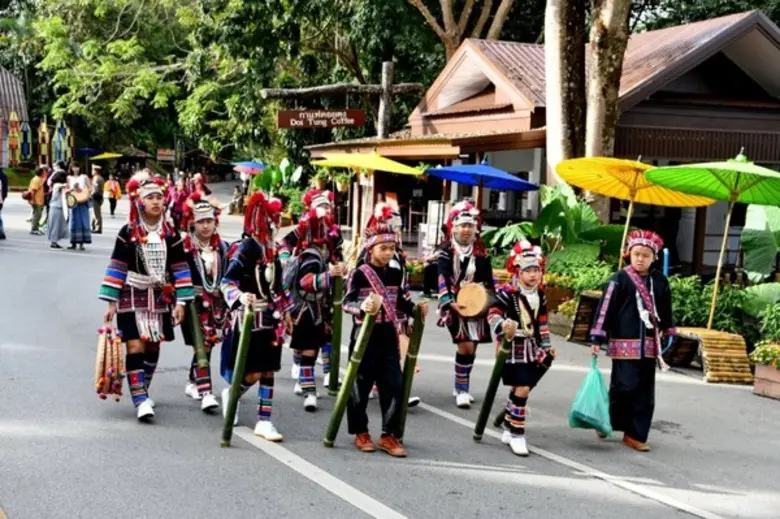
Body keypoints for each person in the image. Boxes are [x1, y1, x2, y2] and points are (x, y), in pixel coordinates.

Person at [98, 176, 194, 421]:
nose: (155, 202)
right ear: (139, 202)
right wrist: (111, 302)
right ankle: (140, 399)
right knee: (135, 345)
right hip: (131, 291)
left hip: (159, 294)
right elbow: (118, 266)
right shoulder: (128, 231)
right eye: (150, 197)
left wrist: (181, 302)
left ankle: (143, 387)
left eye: (159, 197)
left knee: (153, 346)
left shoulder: (171, 234)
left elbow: (181, 268)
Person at [342, 204, 428, 457]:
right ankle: (361, 432)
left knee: (394, 385)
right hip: (364, 337)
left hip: (388, 336)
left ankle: (389, 435)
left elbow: (401, 300)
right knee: (360, 386)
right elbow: (346, 303)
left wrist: (416, 309)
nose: (388, 253)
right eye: (383, 248)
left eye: (391, 248)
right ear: (371, 249)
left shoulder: (394, 273)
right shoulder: (359, 274)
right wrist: (362, 306)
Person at [588, 230, 676, 452]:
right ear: (628, 254)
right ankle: (610, 419)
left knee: (645, 392)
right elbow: (605, 309)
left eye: (645, 255)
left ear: (654, 258)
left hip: (649, 345)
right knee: (624, 386)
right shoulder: (619, 280)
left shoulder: (660, 281)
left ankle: (635, 434)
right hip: (624, 343)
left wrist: (668, 329)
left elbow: (666, 308)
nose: (640, 259)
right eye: (636, 254)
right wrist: (597, 336)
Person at [219, 191, 287, 441]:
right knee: (253, 372)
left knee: (269, 370)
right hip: (249, 318)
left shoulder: (273, 249)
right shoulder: (248, 247)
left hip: (271, 317)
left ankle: (264, 421)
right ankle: (233, 394)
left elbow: (278, 287)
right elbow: (227, 282)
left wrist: (287, 312)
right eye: (273, 218)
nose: (276, 223)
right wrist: (240, 296)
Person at [487, 241, 553, 456]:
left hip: (531, 346)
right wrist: (502, 324)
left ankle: (508, 424)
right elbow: (492, 313)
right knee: (523, 388)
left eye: (537, 270)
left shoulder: (540, 295)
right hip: (511, 346)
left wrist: (547, 345)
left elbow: (542, 322)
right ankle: (517, 433)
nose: (533, 275)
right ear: (518, 271)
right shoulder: (507, 294)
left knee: (519, 389)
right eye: (528, 271)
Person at [285, 189, 345, 411]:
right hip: (308, 307)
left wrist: (340, 272)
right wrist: (332, 276)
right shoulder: (309, 253)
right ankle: (309, 390)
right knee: (308, 350)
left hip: (324, 306)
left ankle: (320, 378)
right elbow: (305, 282)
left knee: (320, 346)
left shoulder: (328, 248)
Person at [437, 201, 494, 408]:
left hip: (476, 305)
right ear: (454, 227)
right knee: (465, 345)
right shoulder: (446, 252)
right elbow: (442, 277)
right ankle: (462, 389)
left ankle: (460, 383)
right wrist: (448, 301)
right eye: (462, 225)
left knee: (474, 347)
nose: (466, 230)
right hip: (456, 304)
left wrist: (485, 299)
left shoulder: (481, 255)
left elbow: (488, 282)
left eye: (470, 226)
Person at [180, 193, 229, 412]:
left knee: (208, 344)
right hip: (193, 302)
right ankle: (206, 392)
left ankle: (193, 381)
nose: (206, 226)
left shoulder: (224, 248)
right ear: (193, 223)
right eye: (201, 222)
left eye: (209, 221)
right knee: (202, 344)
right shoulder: (185, 248)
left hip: (217, 303)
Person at [66, 164, 92, 250]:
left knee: (83, 221)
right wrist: (72, 189)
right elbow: (66, 189)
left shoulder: (84, 177)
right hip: (73, 201)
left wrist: (84, 191)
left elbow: (91, 188)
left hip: (83, 201)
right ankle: (73, 242)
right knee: (73, 221)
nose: (75, 168)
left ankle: (81, 243)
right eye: (74, 167)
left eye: (77, 166)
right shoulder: (69, 178)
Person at [47, 165, 69, 248]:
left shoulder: (56, 185)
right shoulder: (57, 185)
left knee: (56, 224)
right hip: (56, 207)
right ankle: (54, 242)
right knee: (56, 225)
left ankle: (54, 241)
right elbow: (62, 186)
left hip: (56, 207)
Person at [28, 167, 47, 235]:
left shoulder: (39, 179)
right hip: (36, 200)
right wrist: (32, 200)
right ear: (41, 173)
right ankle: (34, 229)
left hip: (39, 200)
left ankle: (36, 228)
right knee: (37, 215)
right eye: (44, 172)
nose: (45, 173)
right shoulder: (36, 180)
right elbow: (33, 191)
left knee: (38, 214)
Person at [91, 165, 105, 233]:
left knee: (96, 213)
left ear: (95, 171)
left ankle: (97, 228)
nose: (92, 171)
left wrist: (90, 195)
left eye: (93, 170)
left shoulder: (96, 178)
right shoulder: (100, 177)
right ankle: (95, 226)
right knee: (96, 212)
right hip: (99, 196)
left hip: (96, 197)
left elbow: (96, 189)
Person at [0, 167, 7, 240]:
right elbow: (5, 190)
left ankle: (1, 232)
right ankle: (1, 232)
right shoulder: (4, 176)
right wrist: (3, 198)